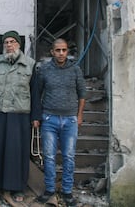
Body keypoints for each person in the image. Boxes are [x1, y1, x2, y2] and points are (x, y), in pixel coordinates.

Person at [0, 30, 40, 203]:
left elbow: (35, 93)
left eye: (12, 42)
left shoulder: (30, 65)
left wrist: (36, 116)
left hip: (19, 115)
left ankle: (17, 188)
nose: (9, 45)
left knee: (16, 152)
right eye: (6, 42)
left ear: (19, 45)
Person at [36, 38, 86, 207]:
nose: (61, 53)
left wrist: (79, 115)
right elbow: (37, 93)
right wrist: (38, 116)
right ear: (52, 52)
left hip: (70, 119)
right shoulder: (44, 70)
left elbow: (82, 94)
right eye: (58, 50)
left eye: (64, 50)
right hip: (49, 119)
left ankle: (67, 191)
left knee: (69, 156)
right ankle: (49, 189)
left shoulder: (75, 69)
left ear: (67, 52)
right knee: (49, 156)